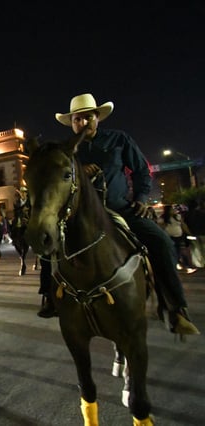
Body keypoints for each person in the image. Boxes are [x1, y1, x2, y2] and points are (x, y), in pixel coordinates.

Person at [53, 93, 199, 335]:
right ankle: (50, 298)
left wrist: (141, 198)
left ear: (97, 118)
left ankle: (176, 309)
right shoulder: (67, 151)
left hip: (120, 208)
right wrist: (78, 170)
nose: (82, 123)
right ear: (72, 123)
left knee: (161, 242)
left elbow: (142, 171)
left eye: (87, 117)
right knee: (50, 245)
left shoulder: (118, 139)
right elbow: (58, 182)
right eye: (77, 119)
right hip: (82, 216)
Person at [161, 204, 197, 274]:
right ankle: (183, 266)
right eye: (171, 209)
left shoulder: (178, 216)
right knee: (175, 252)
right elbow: (162, 227)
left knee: (179, 251)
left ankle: (182, 266)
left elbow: (183, 225)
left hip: (178, 237)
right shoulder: (164, 218)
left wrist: (189, 233)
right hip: (169, 237)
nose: (173, 210)